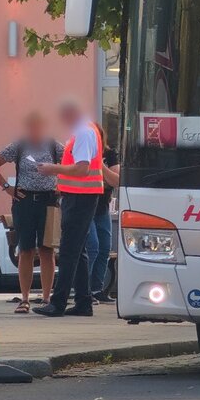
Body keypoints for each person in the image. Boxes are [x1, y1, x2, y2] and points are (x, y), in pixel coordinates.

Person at [33, 98, 104, 317]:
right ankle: (83, 302)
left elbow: (82, 169)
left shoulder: (83, 132)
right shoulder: (85, 130)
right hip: (81, 196)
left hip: (81, 197)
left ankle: (58, 303)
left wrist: (53, 169)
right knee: (78, 250)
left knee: (68, 251)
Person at [0, 111, 62, 313]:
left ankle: (46, 298)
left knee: (47, 250)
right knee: (26, 249)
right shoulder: (19, 146)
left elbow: (70, 165)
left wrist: (61, 184)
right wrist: (7, 187)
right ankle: (25, 299)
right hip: (24, 200)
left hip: (48, 200)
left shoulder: (54, 145)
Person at [85, 125, 120, 304]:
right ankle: (85, 291)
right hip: (85, 207)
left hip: (102, 207)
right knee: (93, 246)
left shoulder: (109, 154)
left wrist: (101, 166)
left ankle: (97, 289)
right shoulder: (81, 153)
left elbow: (116, 180)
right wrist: (104, 178)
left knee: (105, 247)